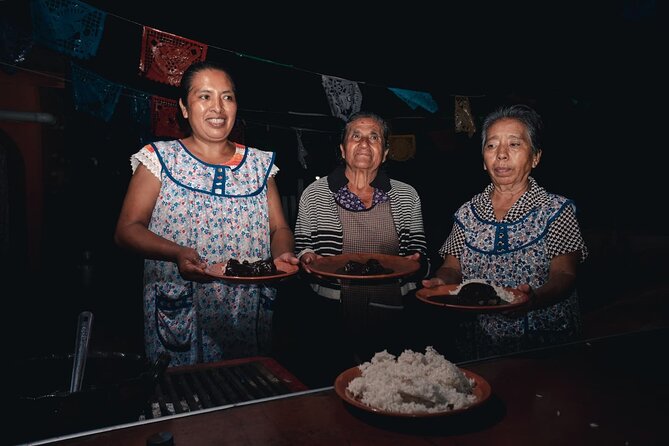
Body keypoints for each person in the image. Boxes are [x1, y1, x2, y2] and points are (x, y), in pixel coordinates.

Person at [114, 61, 298, 366]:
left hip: (246, 309)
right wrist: (176, 253)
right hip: (181, 303)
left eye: (227, 97)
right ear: (184, 108)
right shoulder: (159, 159)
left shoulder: (259, 165)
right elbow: (127, 229)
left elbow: (279, 228)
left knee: (246, 397)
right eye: (204, 97)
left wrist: (282, 257)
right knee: (186, 401)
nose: (218, 108)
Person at [422, 104, 588, 359]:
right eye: (491, 145)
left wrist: (535, 298)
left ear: (535, 157)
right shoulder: (468, 212)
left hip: (545, 341)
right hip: (482, 343)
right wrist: (442, 282)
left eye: (514, 144)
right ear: (483, 160)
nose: (501, 155)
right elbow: (452, 266)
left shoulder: (555, 209)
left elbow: (565, 273)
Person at [294, 111, 429, 365]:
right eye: (356, 136)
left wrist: (416, 261)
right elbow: (302, 246)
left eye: (374, 137)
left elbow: (419, 251)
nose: (365, 143)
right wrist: (306, 258)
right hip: (330, 311)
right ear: (343, 150)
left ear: (386, 152)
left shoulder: (406, 195)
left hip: (392, 309)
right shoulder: (314, 194)